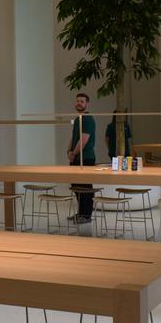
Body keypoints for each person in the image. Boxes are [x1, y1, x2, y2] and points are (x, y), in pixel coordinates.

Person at [66, 92, 96, 224]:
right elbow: (73, 138)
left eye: (82, 101)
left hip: (86, 158)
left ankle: (86, 215)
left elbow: (83, 140)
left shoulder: (88, 119)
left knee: (85, 188)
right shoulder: (77, 119)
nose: (79, 103)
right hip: (76, 158)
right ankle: (81, 213)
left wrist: (74, 152)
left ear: (87, 104)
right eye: (77, 101)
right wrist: (69, 151)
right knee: (76, 187)